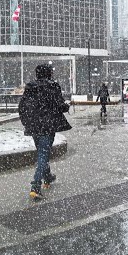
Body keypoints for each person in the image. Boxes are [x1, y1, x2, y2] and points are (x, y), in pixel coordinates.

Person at [19, 64, 72, 200]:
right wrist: (67, 106)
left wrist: (26, 122)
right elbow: (59, 106)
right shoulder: (53, 86)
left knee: (42, 152)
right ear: (49, 74)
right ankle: (36, 186)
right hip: (48, 126)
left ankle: (47, 177)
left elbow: (22, 106)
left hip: (34, 126)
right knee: (43, 153)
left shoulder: (30, 87)